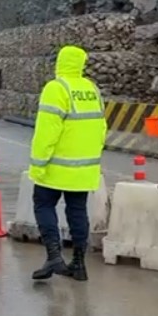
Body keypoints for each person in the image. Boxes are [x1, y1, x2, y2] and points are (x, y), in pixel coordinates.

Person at [28, 44, 107, 281]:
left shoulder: (56, 88)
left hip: (56, 166)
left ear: (60, 63)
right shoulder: (91, 89)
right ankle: (79, 264)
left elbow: (46, 132)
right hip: (84, 168)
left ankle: (54, 255)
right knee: (77, 211)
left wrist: (38, 163)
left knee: (43, 204)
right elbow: (102, 127)